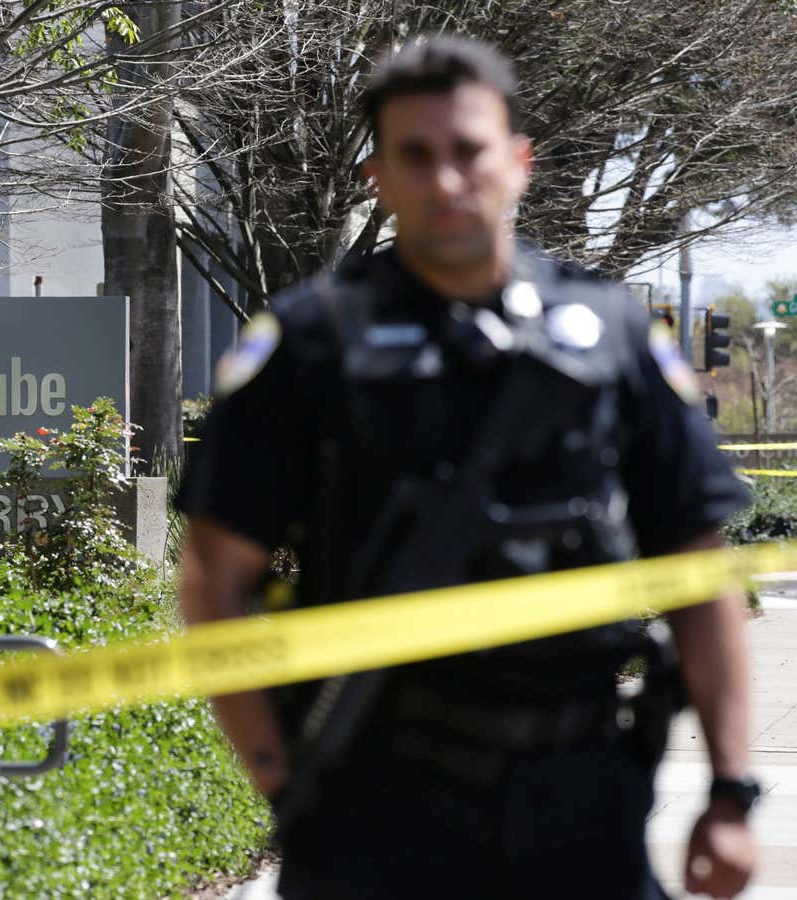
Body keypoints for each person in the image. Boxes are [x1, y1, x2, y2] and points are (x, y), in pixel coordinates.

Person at [177, 36, 758, 900]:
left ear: (519, 163)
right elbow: (214, 583)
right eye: (416, 155)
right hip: (374, 803)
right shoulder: (309, 344)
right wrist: (288, 786)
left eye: (469, 151)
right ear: (377, 175)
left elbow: (699, 571)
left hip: (583, 794)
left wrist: (729, 793)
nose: (446, 180)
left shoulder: (611, 334)